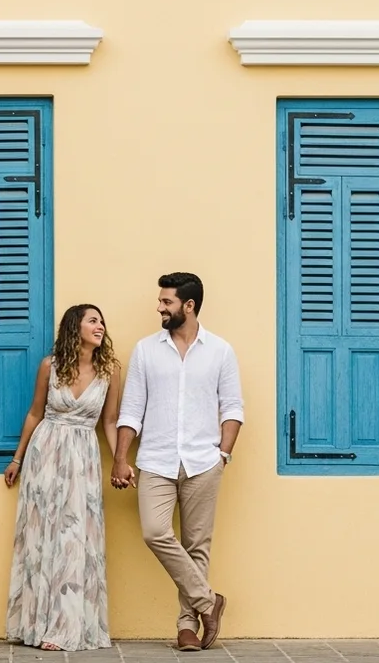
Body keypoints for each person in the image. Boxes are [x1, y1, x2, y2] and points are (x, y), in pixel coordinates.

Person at [111, 272, 244, 652]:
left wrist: (223, 454)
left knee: (196, 544)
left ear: (189, 305)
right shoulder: (146, 350)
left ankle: (188, 628)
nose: (159, 307)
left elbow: (233, 406)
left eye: (166, 302)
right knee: (156, 531)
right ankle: (209, 602)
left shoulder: (220, 351)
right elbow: (132, 410)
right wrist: (121, 458)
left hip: (204, 461)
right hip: (155, 459)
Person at [4, 304, 123, 652]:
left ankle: (65, 626)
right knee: (42, 537)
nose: (100, 326)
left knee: (75, 539)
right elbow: (34, 412)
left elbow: (110, 422)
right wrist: (17, 458)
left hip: (82, 459)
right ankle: (34, 624)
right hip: (45, 455)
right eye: (92, 320)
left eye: (102, 321)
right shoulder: (50, 366)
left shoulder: (110, 370)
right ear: (76, 327)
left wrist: (120, 461)